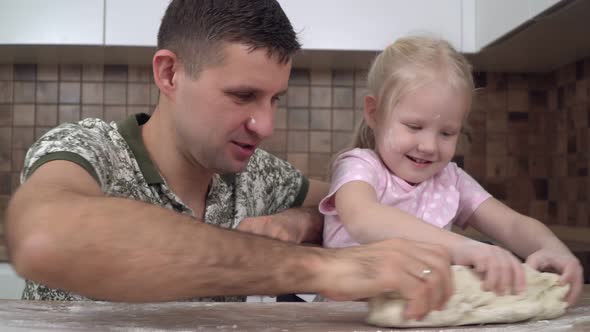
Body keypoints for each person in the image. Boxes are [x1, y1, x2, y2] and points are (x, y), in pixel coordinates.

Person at [5, 0, 453, 320]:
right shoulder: (90, 149)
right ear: (170, 73)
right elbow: (44, 236)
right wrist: (317, 267)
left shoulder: (260, 175)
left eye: (275, 99)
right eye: (243, 96)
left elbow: (345, 206)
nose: (265, 125)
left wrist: (301, 222)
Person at [320, 36, 583, 306]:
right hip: (341, 318)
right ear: (374, 113)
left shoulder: (451, 180)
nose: (429, 146)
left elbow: (512, 224)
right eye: (414, 126)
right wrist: (463, 248)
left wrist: (550, 247)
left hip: (419, 316)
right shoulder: (360, 166)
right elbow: (364, 218)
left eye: (447, 133)